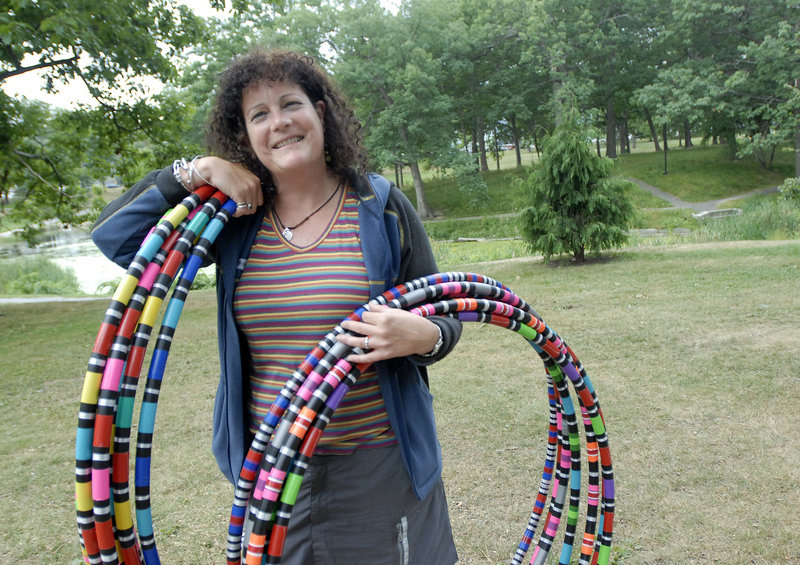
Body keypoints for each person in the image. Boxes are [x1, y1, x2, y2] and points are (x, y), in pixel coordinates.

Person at [91, 48, 461, 564]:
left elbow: (446, 314)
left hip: (379, 465)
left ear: (320, 112)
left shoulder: (381, 208)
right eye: (259, 114)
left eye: (291, 104)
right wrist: (197, 171)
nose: (280, 123)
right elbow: (119, 240)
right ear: (244, 136)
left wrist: (426, 337)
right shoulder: (231, 222)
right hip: (274, 473)